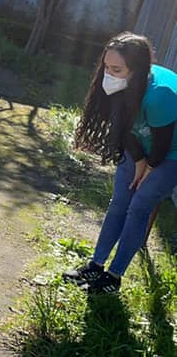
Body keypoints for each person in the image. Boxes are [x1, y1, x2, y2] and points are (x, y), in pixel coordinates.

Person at [63, 32, 177, 293]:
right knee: (119, 202)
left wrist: (148, 166)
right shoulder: (115, 85)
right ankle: (96, 265)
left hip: (171, 153)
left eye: (117, 70)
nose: (109, 75)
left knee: (138, 207)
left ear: (136, 71)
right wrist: (137, 159)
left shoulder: (160, 95)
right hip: (141, 144)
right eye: (106, 67)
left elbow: (162, 145)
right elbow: (121, 129)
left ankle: (113, 278)